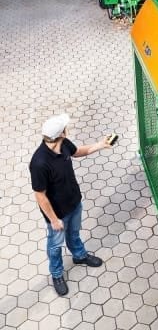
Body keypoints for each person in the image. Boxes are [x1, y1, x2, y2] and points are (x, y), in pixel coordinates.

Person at [29, 113, 113, 296]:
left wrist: (100, 145)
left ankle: (79, 256)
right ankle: (57, 274)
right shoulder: (39, 163)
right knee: (55, 246)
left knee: (74, 233)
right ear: (62, 133)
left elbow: (78, 152)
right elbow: (40, 195)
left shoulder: (64, 145)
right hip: (57, 214)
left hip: (74, 202)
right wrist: (53, 219)